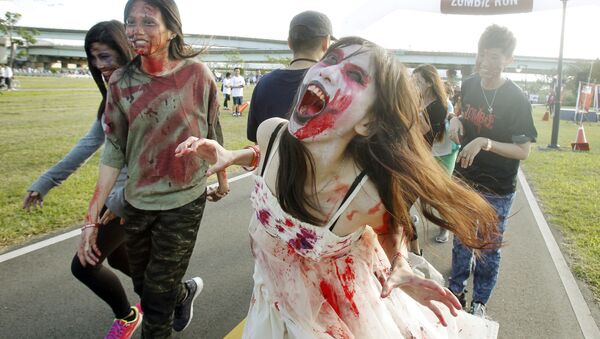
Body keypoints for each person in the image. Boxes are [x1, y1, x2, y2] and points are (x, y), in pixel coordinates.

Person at [176, 37, 501, 338]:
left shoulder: (363, 194)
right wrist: (233, 156)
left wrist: (399, 264)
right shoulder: (271, 132)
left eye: (355, 76)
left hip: (330, 311)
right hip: (268, 294)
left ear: (368, 123)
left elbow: (391, 227)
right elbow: (270, 159)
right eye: (330, 58)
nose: (329, 71)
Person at [83, 1, 228, 337]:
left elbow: (212, 129)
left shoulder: (197, 75)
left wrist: (221, 177)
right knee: (146, 286)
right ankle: (184, 292)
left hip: (184, 201)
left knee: (156, 305)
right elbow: (114, 149)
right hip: (138, 204)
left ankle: (170, 299)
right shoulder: (121, 81)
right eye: (130, 22)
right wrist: (91, 219)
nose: (135, 30)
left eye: (148, 21)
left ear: (173, 28)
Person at [23, 20, 144, 339]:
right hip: (112, 199)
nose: (99, 67)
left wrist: (119, 202)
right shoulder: (110, 101)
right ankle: (172, 291)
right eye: (94, 59)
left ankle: (129, 315)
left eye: (105, 57)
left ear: (127, 51)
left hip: (133, 199)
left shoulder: (149, 95)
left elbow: (152, 159)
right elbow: (88, 145)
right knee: (118, 257)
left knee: (84, 264)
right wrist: (45, 181)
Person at [448, 25, 537, 318]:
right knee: (462, 238)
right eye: (482, 54)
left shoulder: (517, 99)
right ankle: (455, 290)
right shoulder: (471, 84)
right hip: (465, 179)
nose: (484, 61)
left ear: (508, 60)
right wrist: (455, 121)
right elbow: (462, 114)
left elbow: (523, 151)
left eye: (494, 56)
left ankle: (480, 301)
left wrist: (485, 142)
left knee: (487, 247)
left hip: (497, 186)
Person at [246, 10, 333, 142]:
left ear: (289, 43)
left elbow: (255, 137)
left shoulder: (264, 83)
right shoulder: (334, 85)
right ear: (326, 42)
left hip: (272, 162)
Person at [412, 65, 460, 244]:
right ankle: (408, 219)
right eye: (413, 80)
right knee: (417, 191)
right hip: (426, 153)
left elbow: (426, 130)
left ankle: (445, 228)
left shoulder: (441, 103)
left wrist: (414, 114)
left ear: (430, 83)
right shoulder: (419, 99)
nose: (414, 84)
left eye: (418, 81)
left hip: (443, 154)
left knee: (439, 195)